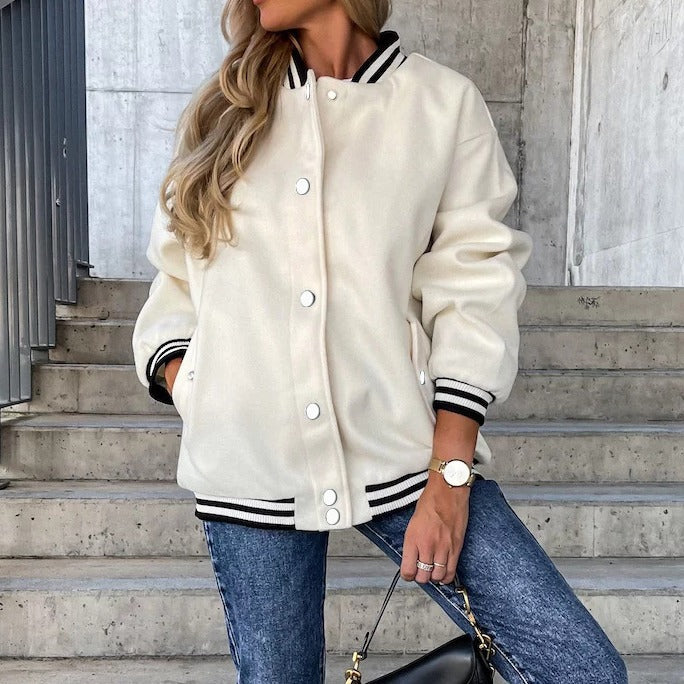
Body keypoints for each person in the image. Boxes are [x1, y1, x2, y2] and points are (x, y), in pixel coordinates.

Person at [131, 1, 629, 682]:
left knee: (582, 669)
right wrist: (195, 383)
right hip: (248, 461)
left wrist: (449, 477)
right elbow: (175, 281)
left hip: (403, 449)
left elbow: (474, 289)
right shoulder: (227, 110)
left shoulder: (440, 106)